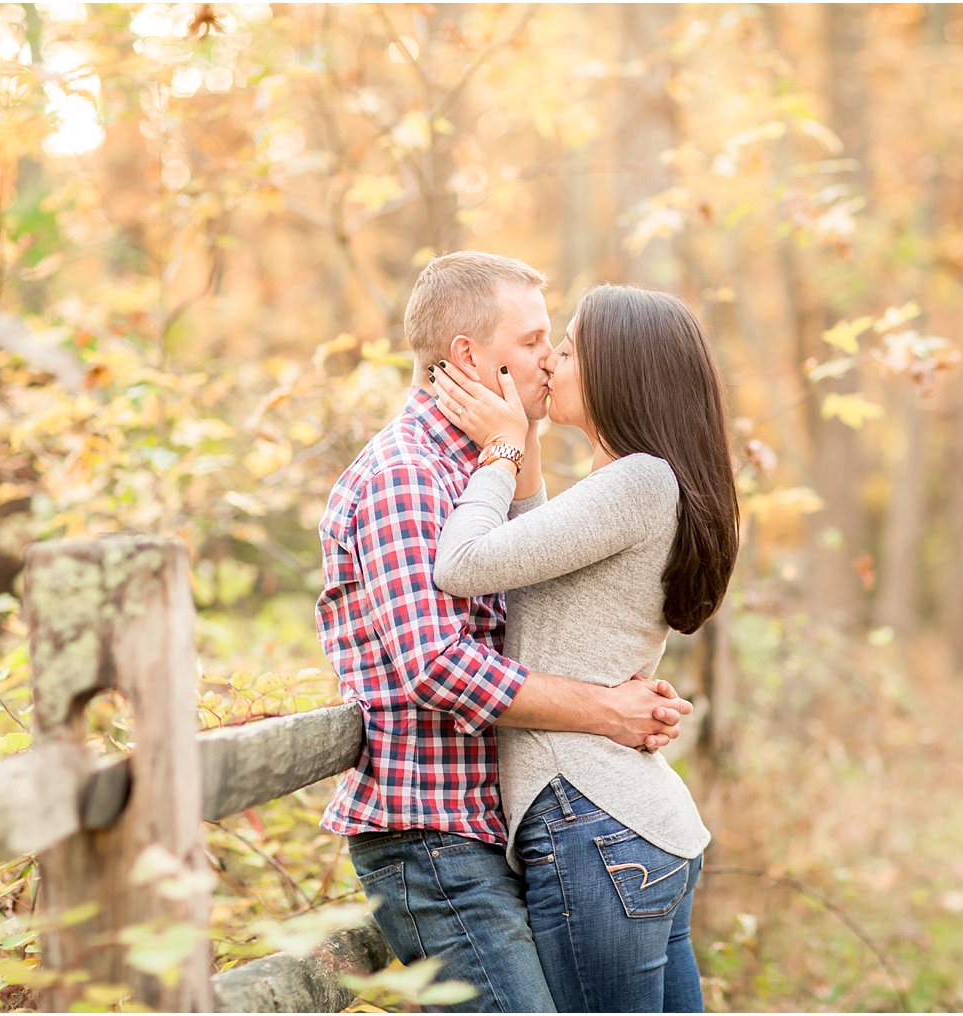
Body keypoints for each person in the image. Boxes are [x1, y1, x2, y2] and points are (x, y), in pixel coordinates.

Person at [317, 253, 696, 1013]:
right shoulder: (408, 473)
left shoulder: (473, 473)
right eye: (532, 342)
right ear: (469, 357)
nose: (549, 359)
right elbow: (436, 665)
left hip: (483, 829)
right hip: (428, 837)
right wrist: (601, 709)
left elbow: (543, 607)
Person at [427, 283, 740, 1013]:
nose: (548, 365)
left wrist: (499, 449)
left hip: (591, 822)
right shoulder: (645, 481)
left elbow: (464, 564)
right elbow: (532, 549)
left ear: (615, 370)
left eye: (564, 350)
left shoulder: (636, 481)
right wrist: (522, 437)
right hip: (629, 826)